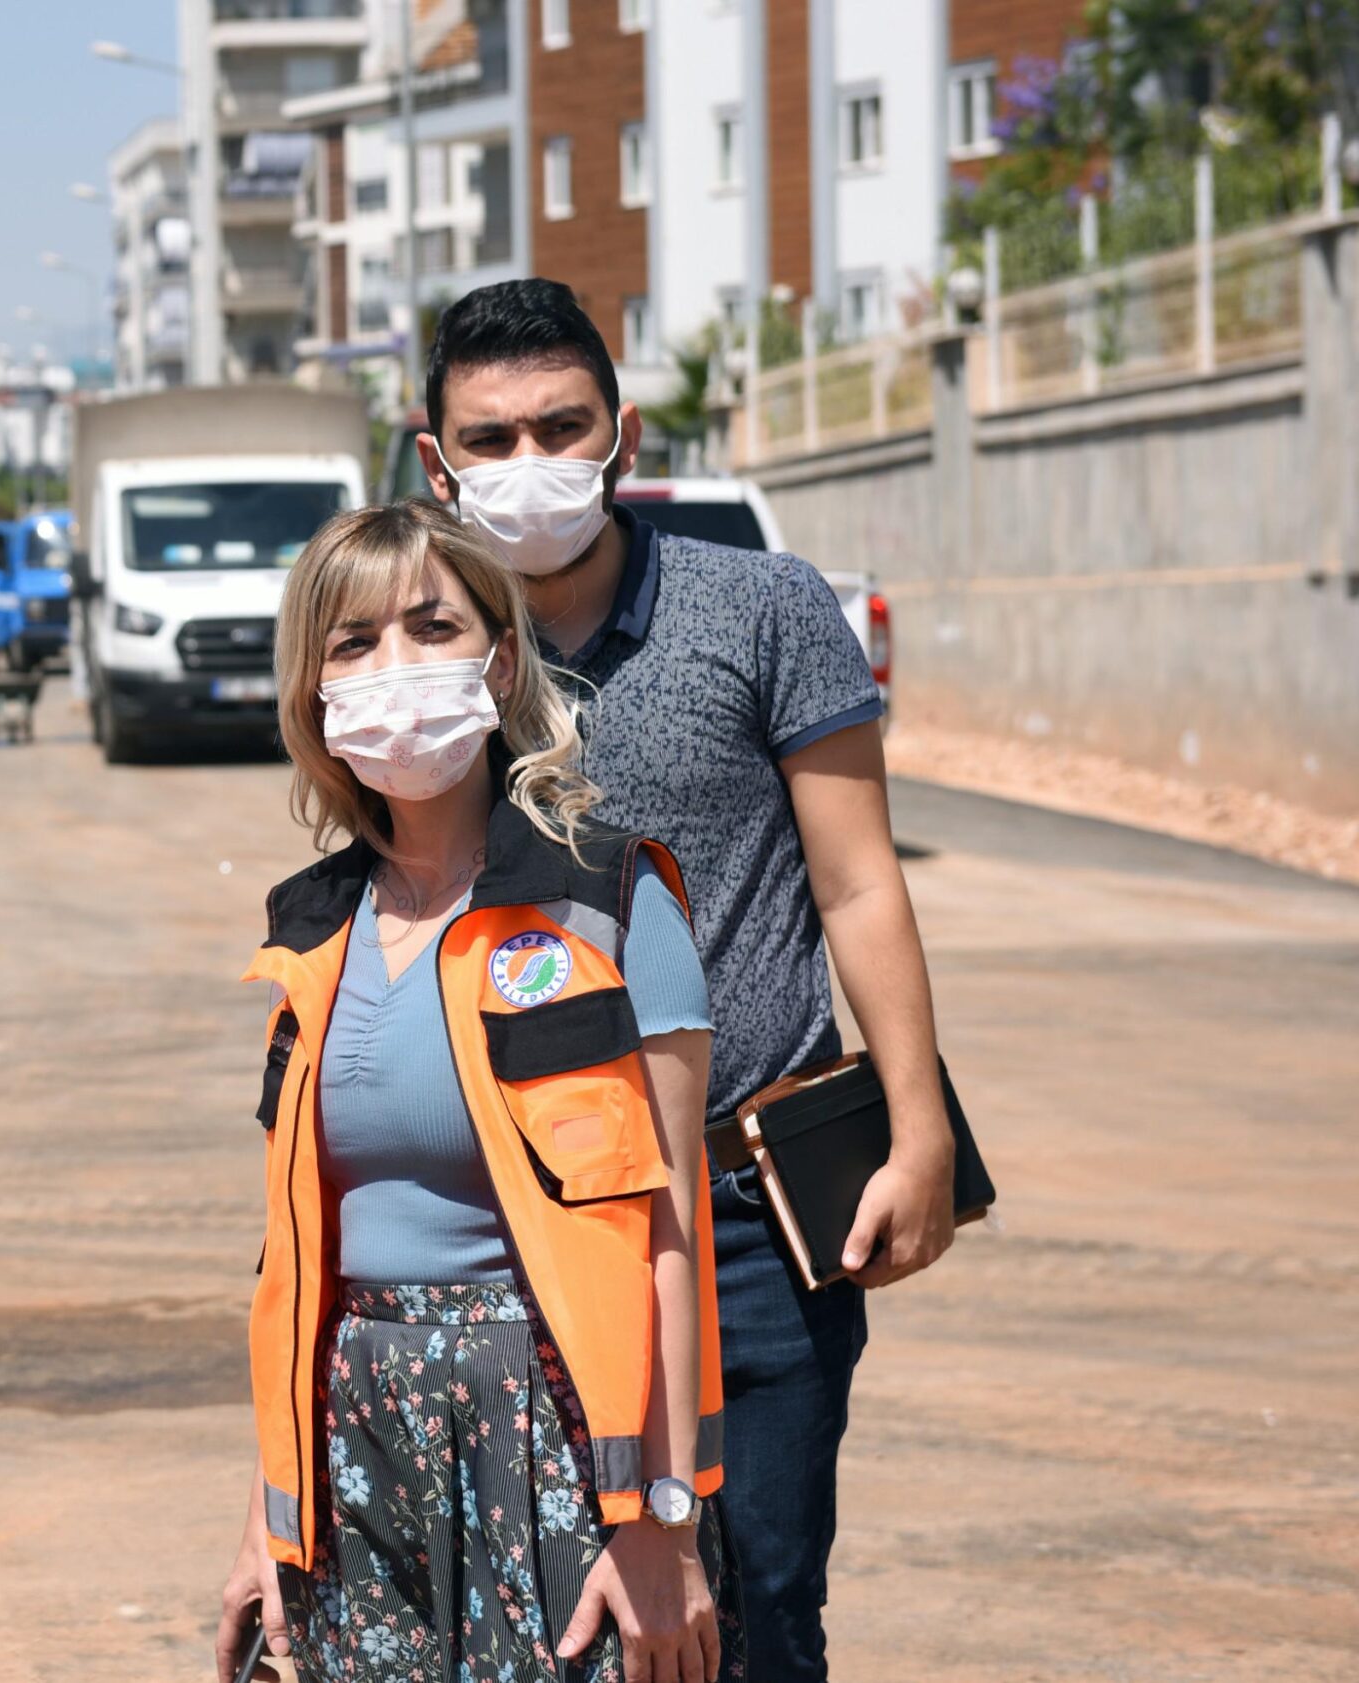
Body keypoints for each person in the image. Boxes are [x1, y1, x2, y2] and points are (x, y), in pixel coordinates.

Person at [413, 280, 955, 1681]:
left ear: (622, 435)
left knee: (762, 1604)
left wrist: (921, 1129)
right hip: (512, 1211)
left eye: (560, 425)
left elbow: (858, 881)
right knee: (551, 1607)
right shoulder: (416, 654)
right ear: (434, 461)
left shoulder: (763, 607)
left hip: (742, 1212)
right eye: (490, 437)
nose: (526, 462)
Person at [216, 501, 740, 1683]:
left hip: (556, 1434)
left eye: (430, 625)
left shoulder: (610, 901)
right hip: (354, 1435)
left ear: (498, 659)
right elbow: (297, 1257)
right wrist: (269, 1504)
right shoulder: (307, 930)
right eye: (352, 644)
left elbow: (671, 1231)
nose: (393, 667)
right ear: (312, 690)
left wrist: (662, 1519)